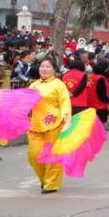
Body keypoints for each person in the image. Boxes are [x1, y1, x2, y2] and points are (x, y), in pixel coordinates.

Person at [26, 57, 72, 194]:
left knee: (52, 156)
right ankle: (44, 178)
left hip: (54, 125)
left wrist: (66, 118)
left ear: (54, 70)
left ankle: (51, 184)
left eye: (47, 67)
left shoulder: (59, 85)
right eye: (42, 66)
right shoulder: (33, 85)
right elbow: (25, 103)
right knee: (34, 155)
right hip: (34, 125)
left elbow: (65, 102)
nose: (44, 69)